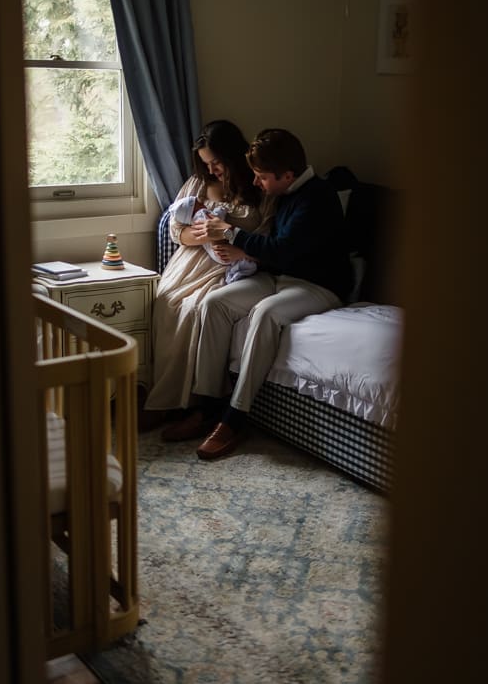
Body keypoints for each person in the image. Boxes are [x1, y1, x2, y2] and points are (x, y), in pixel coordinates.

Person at [162, 127, 353, 459]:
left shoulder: (317, 198)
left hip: (318, 286)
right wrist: (246, 254)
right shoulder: (285, 191)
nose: (256, 183)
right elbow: (275, 251)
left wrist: (233, 235)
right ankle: (207, 405)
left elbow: (284, 250)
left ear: (288, 174)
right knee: (216, 302)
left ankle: (236, 416)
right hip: (279, 276)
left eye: (262, 177)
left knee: (264, 314)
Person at [144, 120, 270, 419]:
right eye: (206, 163)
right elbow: (177, 229)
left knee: (194, 308)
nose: (212, 169)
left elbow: (266, 233)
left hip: (231, 263)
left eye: (216, 162)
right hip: (191, 260)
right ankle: (165, 397)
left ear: (232, 155)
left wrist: (228, 238)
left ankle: (193, 403)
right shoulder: (197, 184)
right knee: (166, 301)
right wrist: (200, 235)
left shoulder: (256, 186)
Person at [167, 193, 257, 284]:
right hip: (222, 250)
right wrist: (221, 210)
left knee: (240, 263)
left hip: (219, 254)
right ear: (193, 207)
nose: (202, 203)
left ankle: (233, 274)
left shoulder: (194, 221)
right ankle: (237, 273)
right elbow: (215, 221)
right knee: (245, 264)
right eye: (198, 202)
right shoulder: (201, 214)